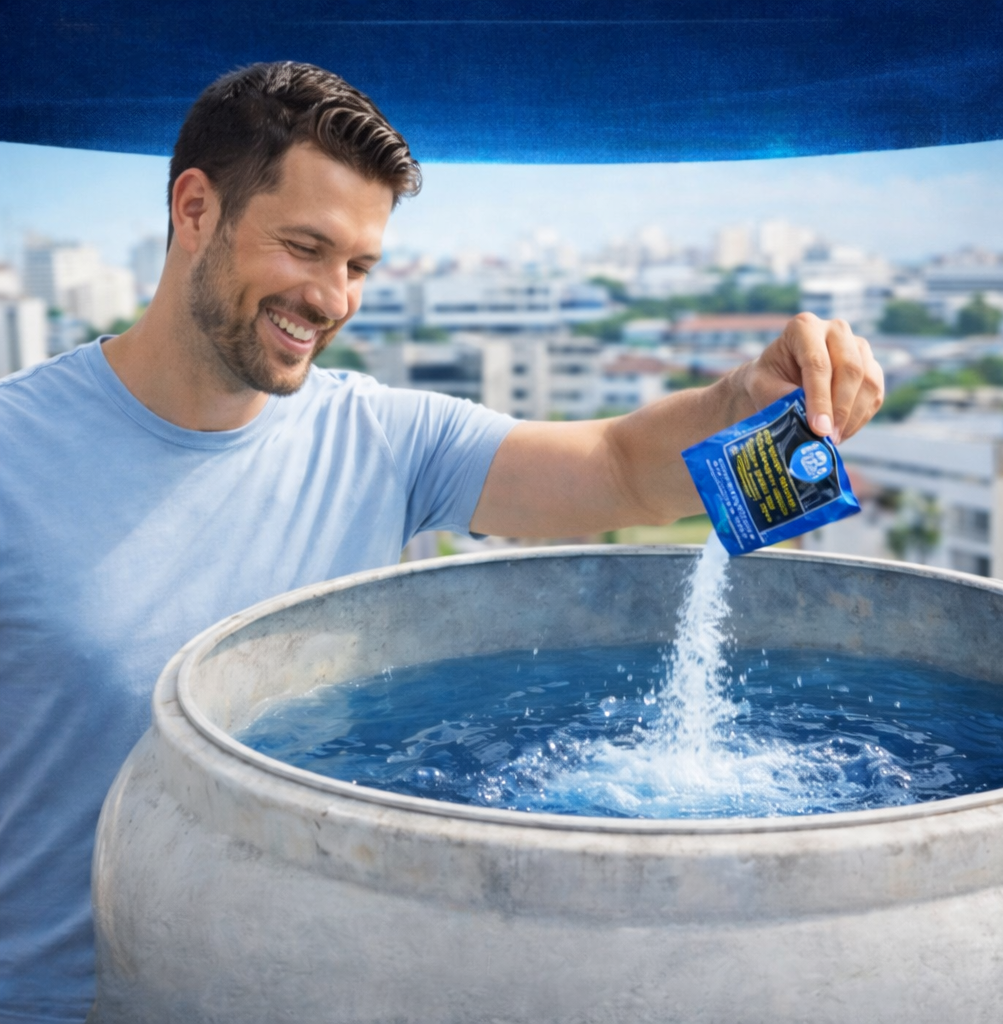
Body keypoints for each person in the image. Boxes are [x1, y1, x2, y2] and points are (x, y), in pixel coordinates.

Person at [0, 61, 883, 1023]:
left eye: (360, 267)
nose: (332, 299)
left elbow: (619, 466)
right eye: (306, 247)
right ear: (195, 209)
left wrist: (742, 404)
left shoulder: (383, 438)